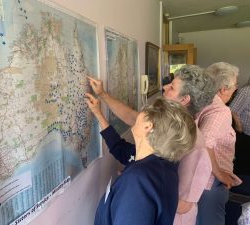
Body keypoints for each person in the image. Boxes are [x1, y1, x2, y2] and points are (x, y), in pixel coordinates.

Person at [87, 64, 215, 225]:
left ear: (184, 100)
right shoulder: (158, 145)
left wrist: (136, 188)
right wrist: (102, 100)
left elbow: (184, 205)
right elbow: (124, 147)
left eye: (172, 87)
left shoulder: (196, 148)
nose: (164, 87)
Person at [86, 95, 197, 225]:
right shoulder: (164, 163)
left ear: (147, 127)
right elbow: (120, 148)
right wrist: (98, 113)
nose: (138, 113)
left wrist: (130, 181)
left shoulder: (137, 181)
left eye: (144, 111)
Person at [196, 62, 242, 225]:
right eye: (236, 85)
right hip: (211, 183)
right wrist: (219, 173)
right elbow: (205, 140)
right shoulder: (221, 111)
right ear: (224, 88)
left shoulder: (203, 102)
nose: (236, 89)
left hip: (200, 182)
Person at [230, 78, 250, 175]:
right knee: (243, 164)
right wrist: (239, 126)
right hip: (245, 134)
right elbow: (232, 110)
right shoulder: (246, 91)